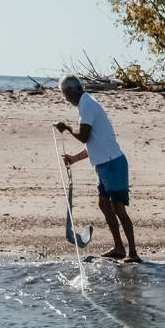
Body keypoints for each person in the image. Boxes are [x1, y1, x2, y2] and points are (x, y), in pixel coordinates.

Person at [55, 75, 138, 262]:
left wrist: (67, 128)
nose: (66, 99)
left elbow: (84, 136)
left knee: (118, 209)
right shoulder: (86, 104)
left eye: (64, 95)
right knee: (103, 204)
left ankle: (133, 252)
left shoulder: (87, 105)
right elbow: (93, 143)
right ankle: (119, 247)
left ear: (71, 91)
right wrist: (74, 159)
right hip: (103, 165)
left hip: (113, 164)